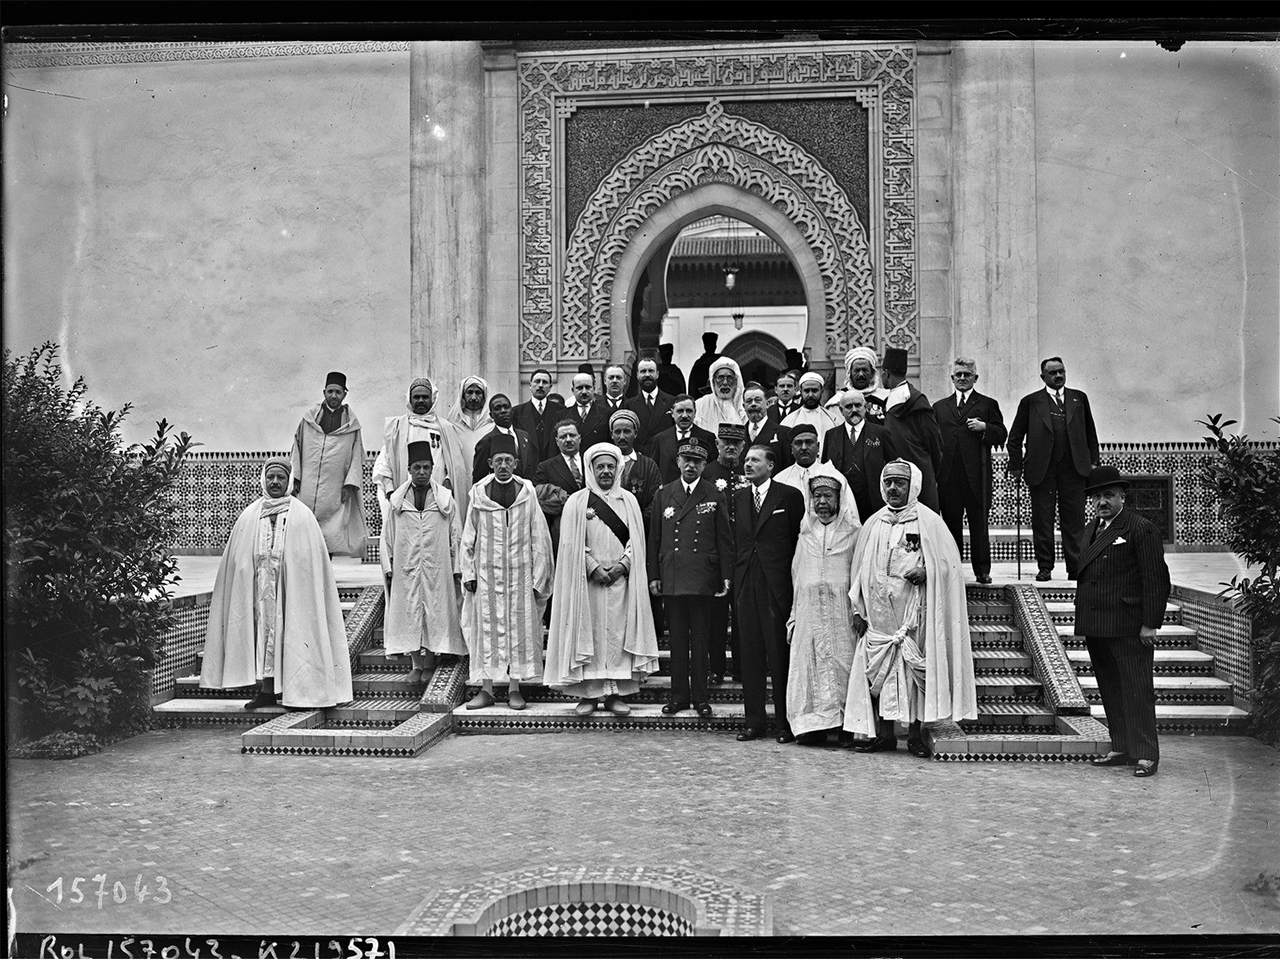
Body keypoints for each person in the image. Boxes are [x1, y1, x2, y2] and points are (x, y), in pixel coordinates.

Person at [843, 460, 976, 757]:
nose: (892, 488)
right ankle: (886, 735)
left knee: (912, 678)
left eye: (899, 483)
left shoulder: (929, 522)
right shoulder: (873, 523)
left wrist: (927, 571)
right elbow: (858, 571)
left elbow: (949, 566)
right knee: (881, 675)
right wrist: (858, 611)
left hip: (912, 618)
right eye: (888, 482)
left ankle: (915, 735)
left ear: (912, 486)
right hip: (878, 619)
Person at [201, 458, 354, 710]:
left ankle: (301, 692)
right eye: (270, 477)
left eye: (280, 478)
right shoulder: (249, 516)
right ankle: (267, 691)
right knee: (265, 635)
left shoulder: (303, 516)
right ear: (263, 479)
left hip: (293, 593)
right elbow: (237, 560)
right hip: (261, 591)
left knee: (295, 633)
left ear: (289, 482)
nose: (274, 482)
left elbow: (309, 562)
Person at [544, 443, 661, 716]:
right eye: (600, 467)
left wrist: (623, 565)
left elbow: (637, 541)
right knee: (590, 634)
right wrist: (593, 567)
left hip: (621, 581)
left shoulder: (629, 500)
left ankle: (615, 694)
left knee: (618, 635)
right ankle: (588, 694)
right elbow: (571, 543)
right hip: (589, 583)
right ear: (591, 469)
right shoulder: (577, 501)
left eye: (610, 466)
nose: (606, 471)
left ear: (618, 468)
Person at [1076, 466, 1170, 778]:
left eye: (1108, 495)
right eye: (1097, 496)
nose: (1102, 501)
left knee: (1136, 688)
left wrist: (1150, 623)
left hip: (1128, 624)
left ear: (1122, 497)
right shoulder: (1092, 529)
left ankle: (1145, 754)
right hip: (1098, 624)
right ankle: (1121, 746)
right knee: (1111, 688)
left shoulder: (1139, 527)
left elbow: (1156, 579)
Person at [461, 434, 554, 711]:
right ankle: (486, 689)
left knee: (519, 631)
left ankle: (515, 688)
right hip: (487, 576)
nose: (503, 465)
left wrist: (539, 577)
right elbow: (468, 536)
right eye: (498, 461)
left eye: (508, 460)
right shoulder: (479, 494)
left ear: (516, 463)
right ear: (490, 463)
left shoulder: (527, 494)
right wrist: (468, 573)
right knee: (486, 631)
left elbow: (539, 536)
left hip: (520, 575)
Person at [647, 438, 733, 719]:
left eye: (697, 461)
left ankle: (700, 698)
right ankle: (678, 697)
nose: (691, 466)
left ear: (704, 465)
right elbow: (655, 538)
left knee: (701, 641)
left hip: (702, 578)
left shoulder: (713, 493)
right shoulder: (664, 493)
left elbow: (724, 539)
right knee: (678, 642)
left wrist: (726, 577)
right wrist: (654, 575)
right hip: (672, 576)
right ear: (678, 462)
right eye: (687, 460)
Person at [733, 444, 806, 742]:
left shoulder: (789, 496)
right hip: (746, 582)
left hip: (777, 584)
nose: (748, 464)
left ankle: (785, 723)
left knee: (779, 656)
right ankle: (754, 722)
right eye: (746, 460)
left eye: (755, 460)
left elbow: (797, 540)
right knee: (750, 654)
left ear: (771, 465)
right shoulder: (737, 498)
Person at [1006, 357, 1101, 581]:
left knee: (1074, 521)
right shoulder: (1031, 402)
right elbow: (1014, 438)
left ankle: (1075, 566)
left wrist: (1093, 463)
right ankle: (1045, 567)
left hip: (1074, 470)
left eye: (1061, 371)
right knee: (1043, 521)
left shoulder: (1079, 398)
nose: (1058, 376)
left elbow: (1091, 434)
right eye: (1052, 373)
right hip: (1042, 471)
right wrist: (1016, 466)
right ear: (1043, 377)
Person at [381, 441, 467, 684]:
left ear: (432, 468)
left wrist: (458, 566)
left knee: (434, 610)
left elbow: (456, 533)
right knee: (408, 612)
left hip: (436, 566)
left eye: (426, 467)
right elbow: (387, 536)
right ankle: (415, 664)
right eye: (417, 467)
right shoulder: (398, 501)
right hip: (406, 566)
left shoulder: (445, 499)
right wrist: (388, 566)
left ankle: (429, 662)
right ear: (409, 469)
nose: (421, 472)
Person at [786, 474, 862, 746]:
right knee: (810, 666)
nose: (822, 502)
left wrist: (858, 610)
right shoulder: (805, 531)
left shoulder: (853, 533)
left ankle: (846, 726)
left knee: (843, 663)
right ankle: (813, 727)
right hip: (809, 611)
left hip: (841, 611)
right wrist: (794, 616)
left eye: (827, 496)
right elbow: (797, 572)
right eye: (817, 496)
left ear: (839, 500)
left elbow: (860, 574)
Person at [933, 358, 1007, 584]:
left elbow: (1002, 433)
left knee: (979, 526)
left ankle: (982, 570)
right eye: (959, 375)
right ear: (952, 378)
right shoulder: (940, 407)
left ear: (976, 378)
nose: (963, 378)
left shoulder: (986, 404)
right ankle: (953, 570)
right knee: (951, 527)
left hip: (977, 478)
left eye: (967, 374)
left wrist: (985, 427)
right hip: (949, 479)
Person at [288, 371, 368, 558]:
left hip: (334, 488)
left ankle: (325, 570)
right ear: (324, 392)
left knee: (330, 531)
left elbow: (356, 455)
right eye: (330, 391)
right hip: (307, 487)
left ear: (344, 395)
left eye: (338, 392)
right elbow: (297, 447)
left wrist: (349, 485)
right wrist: (296, 478)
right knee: (305, 526)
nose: (334, 396)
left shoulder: (351, 425)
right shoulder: (308, 420)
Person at [373, 377, 470, 525]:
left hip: (438, 502)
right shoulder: (397, 427)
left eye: (425, 397)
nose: (420, 400)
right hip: (404, 501)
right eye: (416, 397)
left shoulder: (446, 428)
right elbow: (384, 464)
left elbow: (456, 467)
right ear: (409, 400)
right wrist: (391, 492)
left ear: (432, 399)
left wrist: (447, 486)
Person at [702, 423, 751, 684]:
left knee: (743, 614)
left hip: (744, 554)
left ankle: (742, 667)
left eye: (736, 443)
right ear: (717, 444)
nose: (730, 447)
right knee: (716, 615)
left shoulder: (750, 471)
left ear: (743, 446)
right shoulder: (707, 473)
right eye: (725, 442)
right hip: (715, 556)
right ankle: (716, 668)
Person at [878, 347, 943, 513]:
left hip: (917, 473)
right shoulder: (895, 398)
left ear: (886, 373)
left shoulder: (916, 400)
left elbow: (934, 440)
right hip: (906, 473)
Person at [823, 388, 894, 523]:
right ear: (841, 410)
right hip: (842, 503)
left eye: (858, 405)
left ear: (866, 407)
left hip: (873, 501)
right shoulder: (831, 435)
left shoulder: (881, 433)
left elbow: (892, 465)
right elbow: (826, 470)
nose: (854, 410)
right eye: (849, 406)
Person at [532, 419, 586, 553]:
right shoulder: (545, 467)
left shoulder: (591, 462)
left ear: (580, 437)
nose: (568, 440)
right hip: (562, 528)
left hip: (591, 525)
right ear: (556, 441)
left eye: (572, 435)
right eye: (563, 437)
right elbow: (541, 499)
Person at [775, 422, 851, 514]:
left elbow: (848, 513)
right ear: (791, 449)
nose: (804, 447)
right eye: (798, 443)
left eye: (809, 442)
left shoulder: (834, 476)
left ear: (818, 447)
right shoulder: (780, 480)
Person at [649, 394, 716, 483]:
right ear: (672, 413)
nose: (684, 415)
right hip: (669, 493)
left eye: (689, 411)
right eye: (680, 411)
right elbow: (654, 472)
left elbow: (712, 470)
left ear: (695, 413)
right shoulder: (660, 439)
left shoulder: (707, 437)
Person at [611, 409, 662, 525]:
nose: (622, 437)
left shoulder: (648, 465)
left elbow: (655, 499)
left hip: (640, 527)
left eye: (627, 431)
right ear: (611, 434)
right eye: (617, 432)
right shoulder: (604, 464)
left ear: (636, 433)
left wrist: (636, 522)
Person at [472, 393, 537, 483]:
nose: (503, 411)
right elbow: (479, 479)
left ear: (512, 410)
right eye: (497, 408)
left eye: (506, 407)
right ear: (491, 416)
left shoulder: (524, 436)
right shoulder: (486, 441)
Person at [512, 368, 566, 466]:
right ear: (530, 385)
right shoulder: (517, 412)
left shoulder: (561, 410)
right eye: (537, 382)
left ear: (550, 387)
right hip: (527, 467)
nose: (540, 385)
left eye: (544, 382)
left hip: (554, 466)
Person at [624, 355, 676, 453]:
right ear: (637, 375)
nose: (647, 375)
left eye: (651, 371)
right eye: (643, 371)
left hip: (664, 456)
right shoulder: (629, 404)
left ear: (657, 374)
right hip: (640, 458)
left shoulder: (671, 402)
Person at [446, 375, 494, 480]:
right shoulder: (452, 424)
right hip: (459, 477)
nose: (473, 397)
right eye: (469, 392)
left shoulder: (492, 424)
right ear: (463, 395)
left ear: (484, 396)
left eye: (478, 393)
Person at [781, 371, 840, 456]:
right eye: (807, 391)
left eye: (814, 390)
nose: (810, 395)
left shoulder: (834, 419)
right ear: (800, 391)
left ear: (822, 391)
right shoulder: (789, 420)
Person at [743, 381, 792, 470]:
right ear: (744, 406)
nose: (753, 404)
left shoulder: (783, 433)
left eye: (758, 400)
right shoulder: (739, 434)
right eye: (749, 401)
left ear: (768, 404)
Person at [694, 356, 746, 434]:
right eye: (721, 378)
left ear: (736, 382)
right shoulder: (700, 404)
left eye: (729, 378)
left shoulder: (744, 405)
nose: (725, 382)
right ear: (714, 381)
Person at [565, 371, 611, 450]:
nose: (584, 392)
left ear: (594, 389)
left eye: (588, 387)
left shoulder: (607, 414)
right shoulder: (562, 415)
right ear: (573, 390)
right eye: (579, 388)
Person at [844, 346, 889, 423]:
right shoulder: (839, 400)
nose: (861, 374)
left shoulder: (886, 397)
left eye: (865, 370)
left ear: (872, 373)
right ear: (850, 374)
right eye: (857, 370)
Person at [687, 331, 721, 399]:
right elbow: (693, 388)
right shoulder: (699, 364)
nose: (710, 347)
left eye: (712, 345)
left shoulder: (721, 362)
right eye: (709, 345)